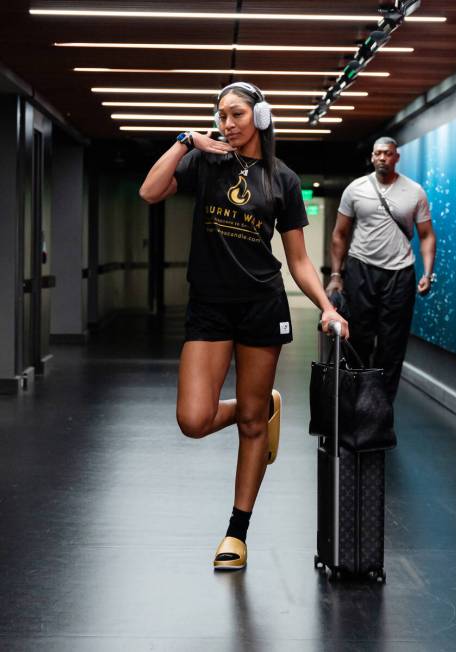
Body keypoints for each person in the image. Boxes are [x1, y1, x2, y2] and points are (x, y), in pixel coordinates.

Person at [139, 81, 348, 571]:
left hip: (262, 304)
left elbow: (297, 259)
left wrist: (327, 306)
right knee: (194, 419)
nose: (226, 123)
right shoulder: (204, 162)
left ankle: (236, 532)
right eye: (220, 115)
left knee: (253, 428)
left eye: (235, 114)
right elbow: (149, 192)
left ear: (261, 116)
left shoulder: (284, 180)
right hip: (209, 306)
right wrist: (186, 140)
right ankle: (258, 407)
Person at [326, 136, 436, 403]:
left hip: (400, 273)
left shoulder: (414, 191)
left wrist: (427, 272)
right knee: (360, 339)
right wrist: (337, 275)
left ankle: (381, 408)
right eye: (377, 154)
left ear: (396, 157)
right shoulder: (356, 188)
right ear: (372, 157)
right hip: (361, 269)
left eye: (387, 154)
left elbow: (427, 235)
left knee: (392, 345)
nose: (382, 158)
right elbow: (340, 234)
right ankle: (357, 402)